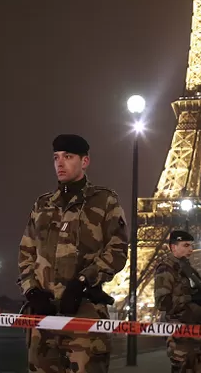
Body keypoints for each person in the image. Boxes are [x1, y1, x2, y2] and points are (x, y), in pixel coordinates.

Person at [18, 134, 129, 373]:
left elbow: (118, 250)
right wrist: (32, 290)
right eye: (56, 158)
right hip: (43, 317)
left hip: (84, 316)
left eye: (68, 157)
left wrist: (83, 281)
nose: (60, 163)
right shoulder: (42, 205)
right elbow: (26, 253)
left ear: (85, 161)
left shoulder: (105, 201)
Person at [154, 230, 201, 373]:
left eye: (191, 245)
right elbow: (162, 303)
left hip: (197, 331)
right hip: (180, 334)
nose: (191, 249)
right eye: (186, 245)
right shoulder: (166, 269)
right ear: (173, 247)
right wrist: (191, 298)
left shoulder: (188, 270)